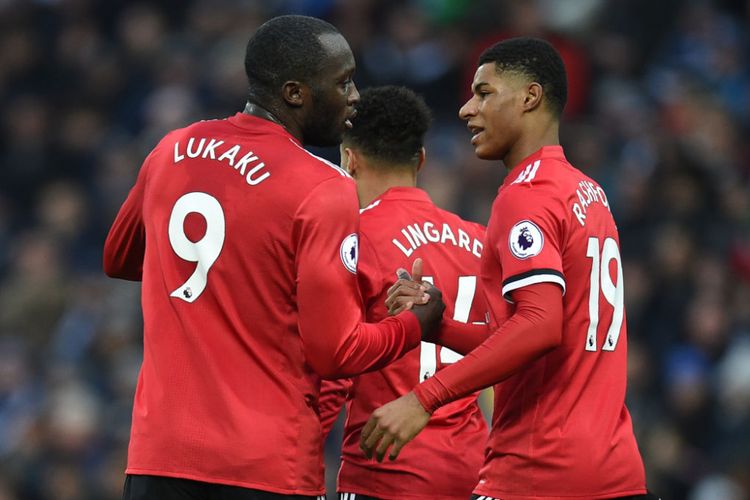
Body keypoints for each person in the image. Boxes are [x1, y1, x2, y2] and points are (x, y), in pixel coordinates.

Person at [103, 15, 444, 500]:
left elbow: (118, 258)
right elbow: (336, 351)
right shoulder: (322, 185)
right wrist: (417, 324)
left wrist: (230, 273)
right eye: (343, 81)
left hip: (159, 460)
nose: (355, 97)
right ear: (294, 93)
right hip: (264, 467)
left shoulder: (171, 151)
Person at [360, 38, 655, 499]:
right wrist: (441, 327)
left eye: (483, 93)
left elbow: (539, 326)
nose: (465, 109)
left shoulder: (526, 194)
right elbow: (545, 340)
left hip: (539, 470)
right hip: (614, 471)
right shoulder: (588, 192)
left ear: (529, 98)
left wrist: (425, 398)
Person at [318, 86, 489, 500]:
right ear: (422, 160)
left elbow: (331, 375)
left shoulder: (352, 240)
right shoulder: (479, 241)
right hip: (473, 469)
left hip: (385, 470)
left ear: (348, 159)